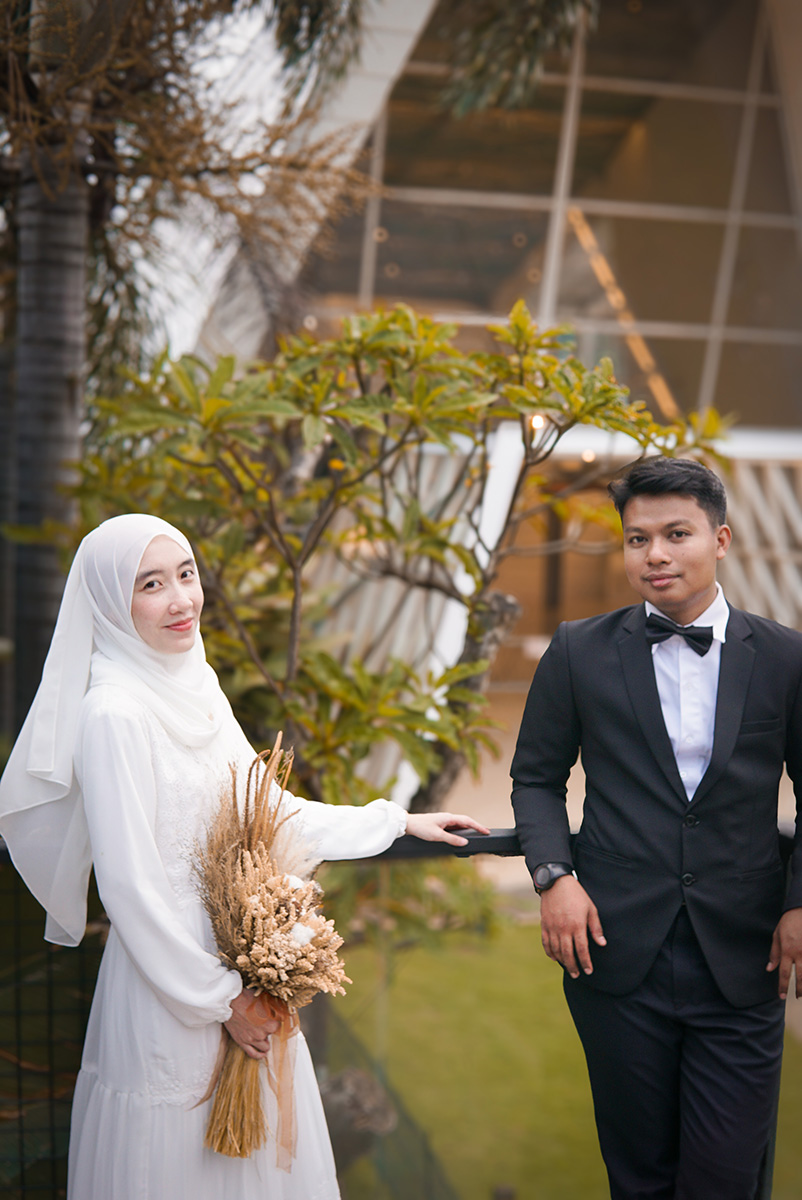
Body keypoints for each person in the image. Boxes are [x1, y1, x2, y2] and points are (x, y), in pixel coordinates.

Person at [0, 513, 489, 1200]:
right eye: (150, 584)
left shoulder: (195, 683)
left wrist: (397, 822)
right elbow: (129, 886)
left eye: (186, 574)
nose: (181, 599)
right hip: (172, 987)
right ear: (110, 603)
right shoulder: (112, 714)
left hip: (243, 968)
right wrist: (223, 999)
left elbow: (269, 812)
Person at [510, 457, 802, 1200]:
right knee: (639, 1178)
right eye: (638, 539)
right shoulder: (577, 650)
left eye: (677, 534)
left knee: (724, 1178)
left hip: (744, 957)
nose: (656, 554)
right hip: (613, 952)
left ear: (721, 539)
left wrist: (800, 903)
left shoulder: (786, 657)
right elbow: (536, 779)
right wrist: (554, 877)